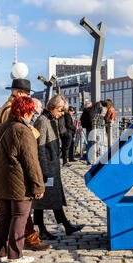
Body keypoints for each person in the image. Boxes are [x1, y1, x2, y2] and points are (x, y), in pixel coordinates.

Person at [0, 96, 45, 263]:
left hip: (0, 178)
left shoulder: (1, 128)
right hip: (18, 181)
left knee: (4, 216)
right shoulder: (23, 130)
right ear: (27, 111)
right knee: (20, 216)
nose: (33, 115)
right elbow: (31, 162)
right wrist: (38, 185)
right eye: (32, 112)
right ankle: (15, 255)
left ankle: (2, 252)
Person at [0, 78, 50, 252]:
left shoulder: (4, 108)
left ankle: (5, 250)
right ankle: (21, 245)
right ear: (20, 93)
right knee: (20, 214)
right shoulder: (12, 114)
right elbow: (22, 146)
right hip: (15, 171)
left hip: (4, 169)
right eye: (27, 94)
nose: (28, 97)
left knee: (10, 214)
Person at [33, 95, 84, 240]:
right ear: (52, 107)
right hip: (47, 166)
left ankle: (65, 224)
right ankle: (42, 228)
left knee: (52, 196)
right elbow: (40, 148)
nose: (62, 114)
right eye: (60, 110)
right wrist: (44, 170)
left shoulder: (50, 119)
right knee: (41, 199)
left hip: (52, 165)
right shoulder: (43, 121)